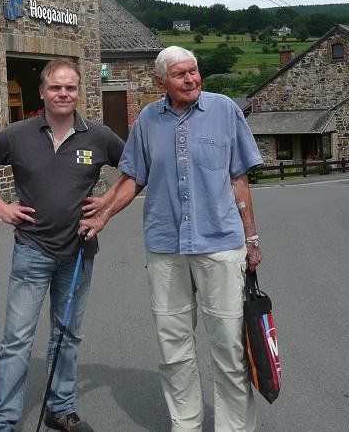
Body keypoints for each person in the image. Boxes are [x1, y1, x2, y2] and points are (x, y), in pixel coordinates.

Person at [81, 45, 263, 432]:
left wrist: (252, 239)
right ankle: (186, 425)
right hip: (165, 247)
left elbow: (239, 179)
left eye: (193, 71)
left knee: (229, 347)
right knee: (173, 347)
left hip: (219, 244)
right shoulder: (148, 120)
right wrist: (105, 212)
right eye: (180, 75)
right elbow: (133, 177)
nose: (191, 79)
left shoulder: (225, 110)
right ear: (160, 81)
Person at [0, 58, 124, 432]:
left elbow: (137, 169)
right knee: (17, 339)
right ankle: (1, 420)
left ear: (78, 91)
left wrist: (106, 205)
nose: (63, 93)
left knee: (67, 336)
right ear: (43, 92)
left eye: (70, 87)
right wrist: (1, 207)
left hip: (79, 253)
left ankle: (60, 408)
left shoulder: (99, 136)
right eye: (55, 87)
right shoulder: (17, 134)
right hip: (32, 251)